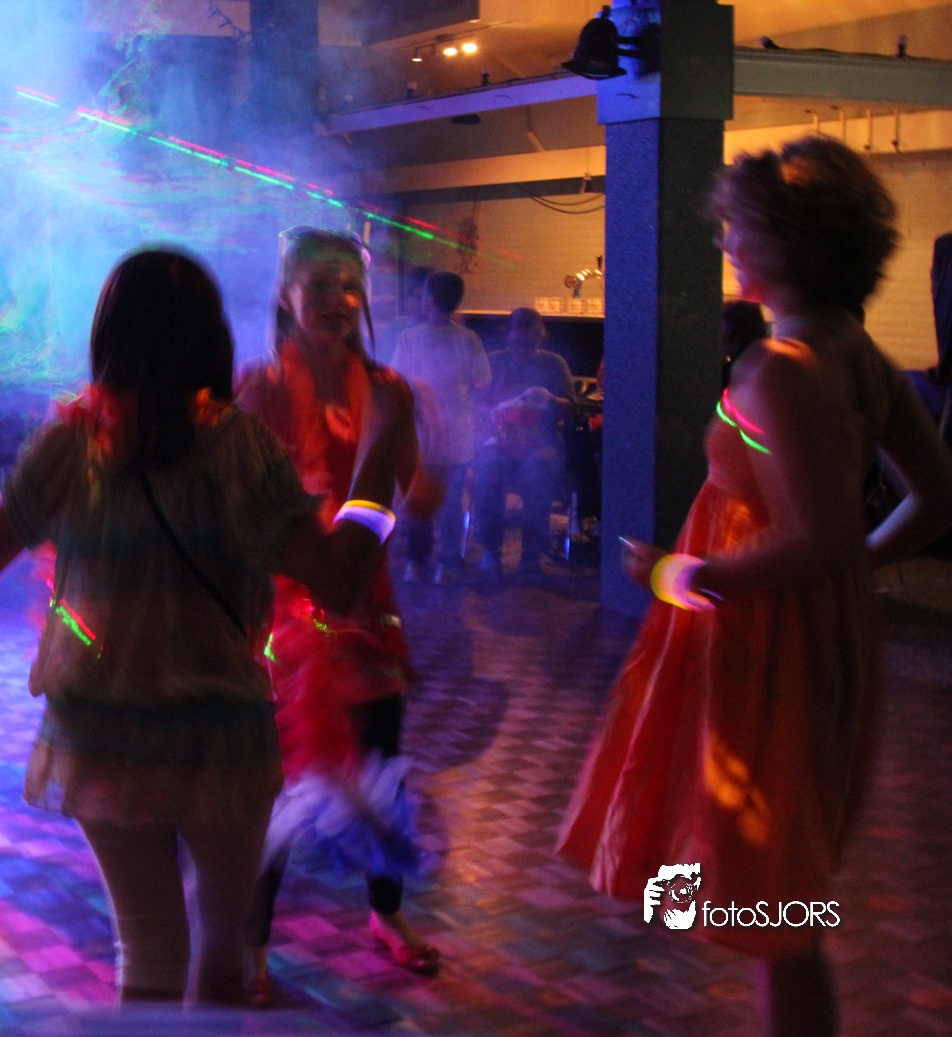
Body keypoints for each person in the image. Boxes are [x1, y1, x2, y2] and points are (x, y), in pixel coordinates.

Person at [0, 247, 412, 1006]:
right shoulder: (239, 448)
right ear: (210, 337)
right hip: (219, 736)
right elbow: (340, 578)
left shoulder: (69, 444)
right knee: (219, 948)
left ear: (108, 334)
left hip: (101, 735)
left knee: (147, 949)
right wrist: (380, 448)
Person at [558, 136, 952, 1037]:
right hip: (820, 629)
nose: (725, 240)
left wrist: (682, 572)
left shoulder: (779, 370)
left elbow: (812, 536)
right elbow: (930, 501)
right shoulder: (857, 354)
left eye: (739, 225)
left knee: (776, 900)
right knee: (779, 891)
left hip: (770, 644)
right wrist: (856, 565)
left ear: (791, 241)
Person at [238, 227, 435, 1005]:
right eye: (316, 283)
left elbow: (420, 497)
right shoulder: (257, 390)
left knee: (381, 764)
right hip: (283, 617)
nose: (334, 298)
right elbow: (244, 511)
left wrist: (424, 442)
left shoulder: (385, 386)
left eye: (347, 284)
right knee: (273, 784)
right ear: (285, 296)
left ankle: (386, 914)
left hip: (367, 607)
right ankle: (251, 949)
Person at [390, 270, 491, 584]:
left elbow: (396, 381)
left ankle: (416, 563)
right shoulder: (468, 339)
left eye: (423, 294)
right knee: (451, 502)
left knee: (419, 500)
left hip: (420, 436)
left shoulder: (410, 337)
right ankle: (447, 565)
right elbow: (482, 382)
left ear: (430, 299)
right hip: (456, 437)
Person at [471, 308, 575, 576]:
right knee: (488, 468)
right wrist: (495, 412)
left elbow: (571, 407)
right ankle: (491, 550)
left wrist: (549, 399)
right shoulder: (494, 361)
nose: (520, 350)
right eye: (516, 343)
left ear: (540, 339)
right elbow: (475, 401)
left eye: (527, 344)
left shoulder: (554, 364)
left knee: (537, 470)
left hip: (542, 441)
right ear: (508, 337)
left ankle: (532, 553)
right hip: (500, 439)